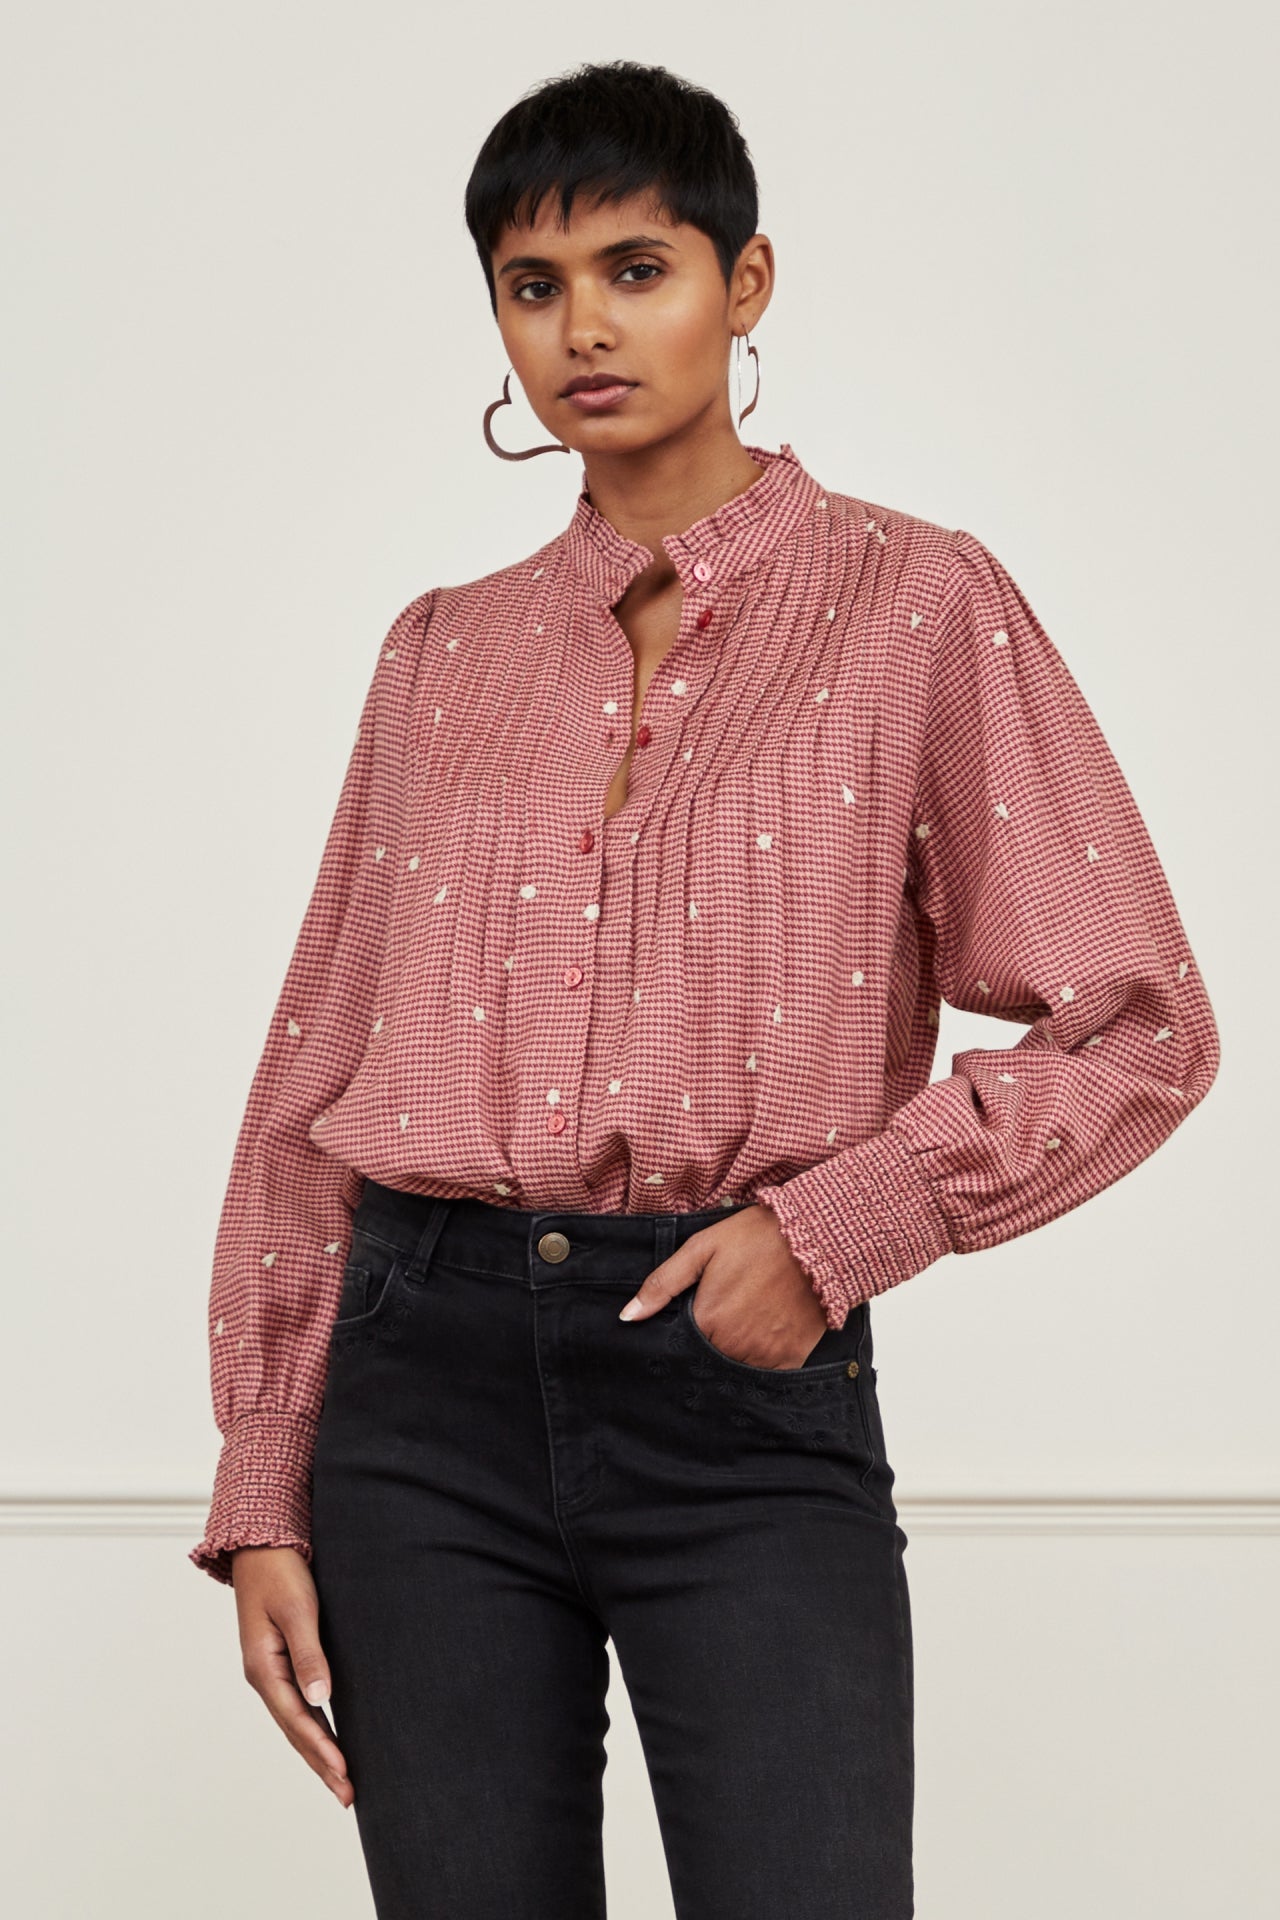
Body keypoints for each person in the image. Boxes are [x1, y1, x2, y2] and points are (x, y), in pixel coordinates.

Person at [190, 58, 1220, 1920]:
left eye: (636, 269)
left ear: (745, 284)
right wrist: (266, 1473)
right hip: (419, 1403)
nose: (582, 328)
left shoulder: (917, 605)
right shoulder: (439, 655)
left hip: (738, 1387)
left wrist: (840, 1227)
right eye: (532, 285)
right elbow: (317, 1074)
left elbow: (1140, 1020)